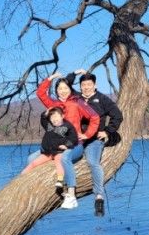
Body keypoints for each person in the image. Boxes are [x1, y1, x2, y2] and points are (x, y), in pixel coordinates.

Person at [34, 72, 100, 209]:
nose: (63, 91)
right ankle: (53, 193)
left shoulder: (77, 103)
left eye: (65, 88)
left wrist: (87, 134)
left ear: (70, 89)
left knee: (65, 158)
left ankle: (71, 195)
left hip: (75, 144)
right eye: (60, 88)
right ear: (56, 91)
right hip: (56, 146)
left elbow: (95, 117)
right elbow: (40, 93)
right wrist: (50, 79)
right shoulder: (53, 105)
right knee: (31, 160)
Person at [74, 69, 123, 217]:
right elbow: (64, 86)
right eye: (83, 84)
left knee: (93, 162)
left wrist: (107, 131)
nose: (86, 87)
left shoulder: (102, 99)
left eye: (89, 84)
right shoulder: (76, 99)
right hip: (77, 138)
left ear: (94, 85)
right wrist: (77, 73)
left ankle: (99, 197)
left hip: (94, 140)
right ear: (80, 86)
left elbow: (117, 116)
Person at [20, 107, 78, 190]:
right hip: (48, 152)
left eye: (56, 116)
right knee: (34, 163)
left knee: (59, 162)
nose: (54, 119)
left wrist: (67, 145)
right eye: (52, 118)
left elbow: (73, 138)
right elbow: (43, 120)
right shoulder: (49, 126)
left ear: (62, 116)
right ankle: (22, 175)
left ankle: (60, 180)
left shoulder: (68, 126)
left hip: (59, 151)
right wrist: (44, 114)